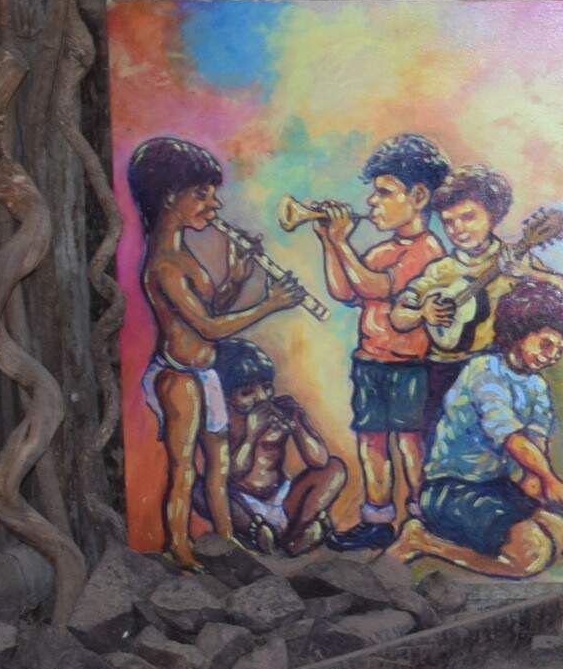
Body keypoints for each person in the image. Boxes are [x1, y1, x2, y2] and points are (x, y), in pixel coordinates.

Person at [130, 134, 304, 568]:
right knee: (185, 468)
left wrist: (239, 278)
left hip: (204, 373)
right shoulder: (165, 263)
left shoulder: (184, 253)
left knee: (219, 467)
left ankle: (226, 539)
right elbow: (206, 326)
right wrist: (270, 304)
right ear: (171, 197)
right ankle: (181, 548)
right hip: (179, 378)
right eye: (202, 195)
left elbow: (211, 315)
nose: (214, 206)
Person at [306, 132, 450, 549]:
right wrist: (330, 243)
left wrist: (344, 242)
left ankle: (423, 516)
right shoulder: (383, 249)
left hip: (408, 364)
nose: (372, 202)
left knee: (409, 443)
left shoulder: (426, 251)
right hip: (370, 360)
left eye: (385, 193)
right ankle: (378, 518)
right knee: (371, 441)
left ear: (419, 196)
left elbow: (371, 286)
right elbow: (344, 291)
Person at [395, 279, 563, 579]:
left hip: (495, 485)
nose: (551, 356)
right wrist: (550, 478)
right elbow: (512, 440)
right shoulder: (484, 371)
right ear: (519, 331)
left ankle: (470, 537)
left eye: (559, 351)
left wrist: (538, 484)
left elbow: (536, 444)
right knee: (531, 556)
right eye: (546, 344)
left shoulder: (536, 386)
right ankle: (423, 541)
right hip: (450, 488)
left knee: (561, 533)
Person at [400, 165, 563, 415]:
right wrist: (423, 313)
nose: (458, 229)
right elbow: (398, 317)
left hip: (498, 368)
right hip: (442, 370)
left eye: (468, 217)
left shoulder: (515, 259)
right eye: (448, 222)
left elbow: (561, 290)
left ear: (493, 215)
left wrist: (527, 273)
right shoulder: (440, 271)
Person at [217, 337, 349, 557]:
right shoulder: (225, 425)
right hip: (245, 506)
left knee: (335, 469)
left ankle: (296, 534)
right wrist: (251, 434)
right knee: (203, 492)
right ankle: (259, 534)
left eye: (266, 388)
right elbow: (230, 474)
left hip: (283, 499)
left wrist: (299, 423)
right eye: (247, 393)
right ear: (226, 397)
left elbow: (319, 461)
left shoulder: (279, 414)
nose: (261, 398)